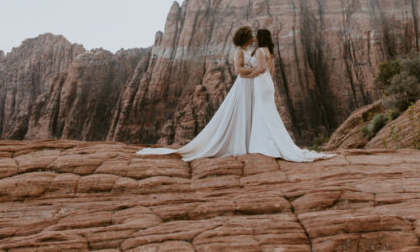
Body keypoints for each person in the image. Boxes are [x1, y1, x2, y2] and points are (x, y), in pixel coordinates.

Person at [137, 26, 257, 161]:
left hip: (250, 84)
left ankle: (247, 143)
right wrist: (255, 70)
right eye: (251, 36)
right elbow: (238, 70)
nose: (253, 38)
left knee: (248, 111)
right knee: (241, 112)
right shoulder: (239, 51)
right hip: (243, 84)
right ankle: (238, 144)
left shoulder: (248, 51)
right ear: (245, 37)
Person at [246, 29, 332, 162]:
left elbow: (261, 69)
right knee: (268, 112)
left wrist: (248, 75)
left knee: (262, 111)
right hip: (267, 83)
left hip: (260, 83)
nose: (255, 39)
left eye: (256, 37)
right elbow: (272, 72)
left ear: (260, 38)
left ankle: (266, 144)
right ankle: (271, 142)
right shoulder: (270, 51)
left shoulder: (259, 51)